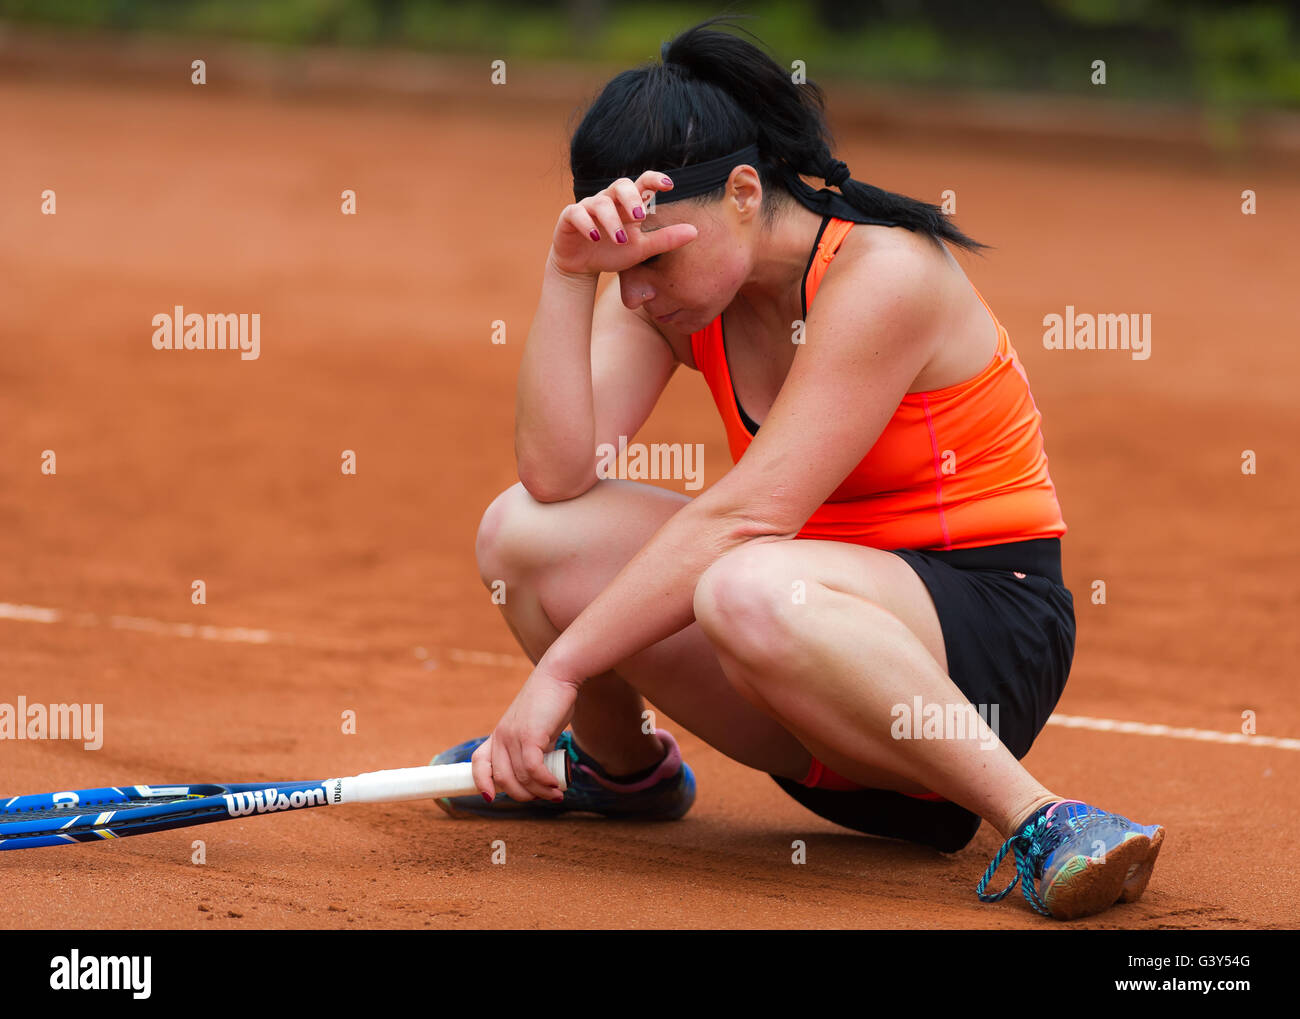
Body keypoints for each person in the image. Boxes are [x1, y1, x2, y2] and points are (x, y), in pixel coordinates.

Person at [432, 16, 1164, 921]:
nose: (638, 289)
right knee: (523, 533)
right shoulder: (666, 288)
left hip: (976, 645)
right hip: (803, 659)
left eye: (653, 256)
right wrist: (567, 273)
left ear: (745, 190)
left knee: (745, 579)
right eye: (622, 263)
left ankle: (1041, 818)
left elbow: (746, 518)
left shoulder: (885, 274)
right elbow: (555, 473)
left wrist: (560, 673)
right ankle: (617, 772)